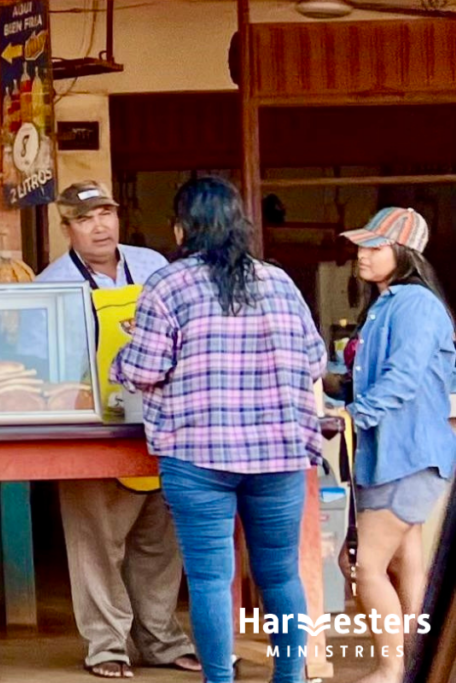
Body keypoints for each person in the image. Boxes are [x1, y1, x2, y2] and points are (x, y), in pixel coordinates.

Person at [113, 176, 327, 683]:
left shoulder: (168, 284)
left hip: (198, 456)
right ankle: (290, 677)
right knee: (280, 574)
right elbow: (315, 360)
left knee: (210, 577)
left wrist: (124, 355)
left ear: (182, 228)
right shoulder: (279, 282)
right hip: (278, 455)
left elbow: (144, 370)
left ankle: (219, 679)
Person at [37, 180, 199, 679]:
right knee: (96, 544)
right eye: (85, 219)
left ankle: (160, 639)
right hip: (93, 428)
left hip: (159, 423)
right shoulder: (52, 285)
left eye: (106, 213)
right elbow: (45, 364)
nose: (100, 225)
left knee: (160, 538)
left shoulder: (152, 265)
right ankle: (106, 645)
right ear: (66, 229)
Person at [338, 208, 456, 683]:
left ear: (404, 253)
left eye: (375, 247)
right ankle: (411, 664)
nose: (362, 256)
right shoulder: (389, 302)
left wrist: (351, 414)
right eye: (361, 247)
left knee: (364, 567)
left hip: (408, 453)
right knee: (408, 563)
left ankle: (391, 670)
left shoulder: (414, 304)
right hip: (397, 453)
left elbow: (402, 378)